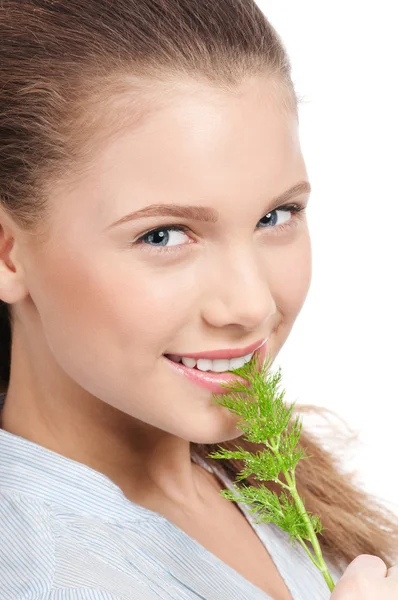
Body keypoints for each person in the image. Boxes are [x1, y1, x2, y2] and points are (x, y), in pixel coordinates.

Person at [0, 1, 397, 599]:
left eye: (275, 215)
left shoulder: (261, 470)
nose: (250, 303)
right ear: (8, 254)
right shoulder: (44, 575)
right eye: (162, 235)